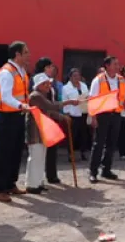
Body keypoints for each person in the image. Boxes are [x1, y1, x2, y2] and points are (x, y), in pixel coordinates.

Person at [0, 41, 31, 203]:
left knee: (16, 151)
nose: (28, 55)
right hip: (7, 116)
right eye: (26, 52)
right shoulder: (6, 72)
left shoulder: (21, 71)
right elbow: (6, 96)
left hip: (19, 115)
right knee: (5, 153)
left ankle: (10, 184)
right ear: (17, 54)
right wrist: (21, 105)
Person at [26, 73, 76, 194]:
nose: (49, 85)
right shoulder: (35, 96)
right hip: (35, 132)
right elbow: (51, 106)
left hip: (42, 131)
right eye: (46, 83)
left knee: (41, 158)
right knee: (35, 158)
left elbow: (50, 111)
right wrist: (68, 102)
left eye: (49, 83)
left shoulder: (42, 96)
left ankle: (38, 182)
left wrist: (62, 117)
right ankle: (32, 185)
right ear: (39, 85)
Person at [88, 56, 125, 183]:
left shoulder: (121, 80)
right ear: (107, 65)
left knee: (111, 144)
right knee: (98, 144)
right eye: (115, 64)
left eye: (118, 63)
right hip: (102, 115)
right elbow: (92, 99)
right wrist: (93, 117)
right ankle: (93, 172)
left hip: (116, 115)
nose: (118, 66)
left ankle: (106, 170)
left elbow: (124, 99)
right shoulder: (98, 80)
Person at [34, 57, 62, 185]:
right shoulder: (38, 84)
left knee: (52, 148)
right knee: (39, 152)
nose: (52, 69)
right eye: (50, 66)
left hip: (51, 117)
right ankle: (37, 180)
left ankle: (51, 174)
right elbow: (46, 104)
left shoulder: (51, 84)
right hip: (42, 119)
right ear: (45, 68)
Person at [62, 68, 90, 161]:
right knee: (72, 135)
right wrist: (66, 114)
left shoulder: (84, 85)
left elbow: (87, 97)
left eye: (78, 76)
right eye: (74, 76)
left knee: (83, 134)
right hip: (73, 114)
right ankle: (71, 154)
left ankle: (83, 152)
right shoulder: (66, 88)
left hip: (83, 112)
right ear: (70, 77)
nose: (77, 77)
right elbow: (64, 101)